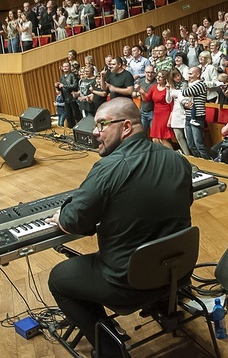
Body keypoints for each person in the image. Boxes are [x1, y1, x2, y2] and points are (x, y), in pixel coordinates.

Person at [47, 98, 193, 358]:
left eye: (102, 125)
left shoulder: (108, 167)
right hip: (177, 274)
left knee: (59, 278)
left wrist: (61, 216)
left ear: (126, 127)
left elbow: (74, 221)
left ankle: (109, 349)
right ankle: (164, 307)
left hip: (126, 285)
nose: (94, 132)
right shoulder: (177, 160)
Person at [56, 62, 81, 128]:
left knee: (76, 115)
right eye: (63, 66)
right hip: (66, 99)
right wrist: (57, 86)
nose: (65, 68)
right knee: (68, 116)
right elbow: (61, 89)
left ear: (69, 67)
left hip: (72, 99)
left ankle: (79, 128)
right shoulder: (62, 77)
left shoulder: (73, 75)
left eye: (66, 66)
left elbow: (75, 85)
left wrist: (64, 85)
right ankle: (71, 129)